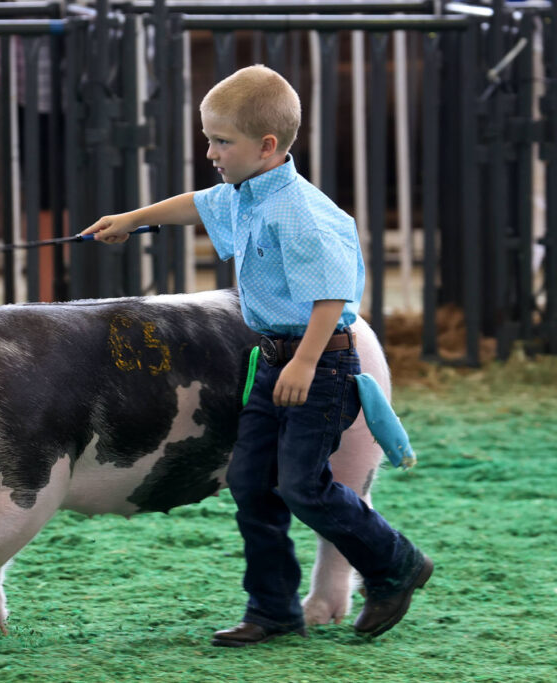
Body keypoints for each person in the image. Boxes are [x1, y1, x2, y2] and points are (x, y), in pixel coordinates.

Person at [81, 65, 432, 647]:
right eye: (210, 139)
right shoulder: (248, 193)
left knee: (303, 485)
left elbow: (331, 294)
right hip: (272, 360)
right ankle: (273, 608)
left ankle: (395, 563)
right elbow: (200, 202)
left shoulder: (301, 213)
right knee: (251, 482)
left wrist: (303, 363)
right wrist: (134, 220)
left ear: (266, 147)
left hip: (316, 362)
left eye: (222, 142)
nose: (211, 152)